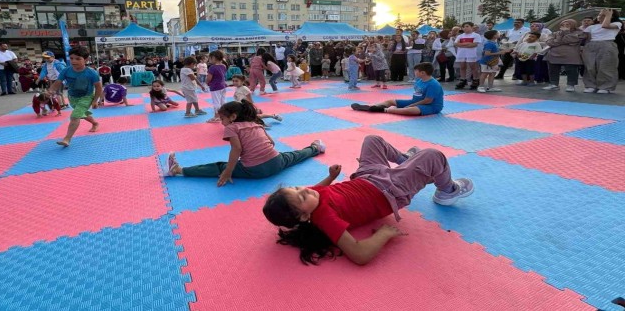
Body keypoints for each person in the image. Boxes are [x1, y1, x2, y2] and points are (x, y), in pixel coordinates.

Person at [262, 135, 474, 265]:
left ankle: (405, 161)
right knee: (433, 155)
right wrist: (383, 234)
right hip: (391, 190)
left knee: (372, 140)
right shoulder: (325, 219)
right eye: (302, 195)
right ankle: (448, 190)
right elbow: (359, 254)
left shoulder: (312, 198)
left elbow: (318, 189)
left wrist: (331, 177)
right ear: (305, 216)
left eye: (298, 187)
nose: (307, 190)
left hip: (367, 176)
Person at [165, 100, 324, 186]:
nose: (221, 122)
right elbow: (272, 142)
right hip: (276, 162)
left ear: (233, 117)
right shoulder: (256, 123)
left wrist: (228, 171)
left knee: (219, 166)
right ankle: (316, 147)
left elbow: (237, 150)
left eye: (222, 119)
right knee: (294, 155)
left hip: (256, 171)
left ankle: (178, 170)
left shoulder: (232, 128)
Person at [47, 46, 102, 147]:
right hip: (72, 97)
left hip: (87, 96)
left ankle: (67, 138)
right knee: (81, 113)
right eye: (71, 58)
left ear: (86, 60)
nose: (74, 61)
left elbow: (98, 88)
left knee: (75, 116)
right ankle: (95, 123)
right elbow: (58, 82)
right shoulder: (66, 71)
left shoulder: (91, 73)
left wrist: (95, 101)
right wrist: (51, 90)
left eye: (78, 58)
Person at [351, 63, 443, 116]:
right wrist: (411, 103)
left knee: (411, 111)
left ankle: (385, 110)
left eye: (416, 71)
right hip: (415, 101)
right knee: (391, 101)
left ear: (422, 73)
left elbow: (428, 101)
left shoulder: (433, 84)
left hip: (432, 106)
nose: (414, 72)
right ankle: (372, 107)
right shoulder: (419, 80)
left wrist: (411, 106)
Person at [582, 8, 621, 94]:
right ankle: (590, 85)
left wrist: (608, 14)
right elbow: (586, 37)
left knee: (606, 67)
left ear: (611, 16)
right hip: (591, 45)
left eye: (603, 15)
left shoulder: (616, 24)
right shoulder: (592, 27)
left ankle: (606, 86)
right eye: (599, 15)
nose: (600, 17)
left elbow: (605, 25)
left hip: (607, 44)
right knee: (590, 66)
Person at [544, 19, 585, 92]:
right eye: (562, 25)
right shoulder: (555, 33)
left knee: (571, 70)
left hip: (571, 55)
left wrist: (565, 34)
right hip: (554, 54)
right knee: (553, 70)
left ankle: (571, 85)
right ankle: (554, 84)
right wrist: (561, 40)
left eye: (567, 25)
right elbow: (549, 42)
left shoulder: (580, 33)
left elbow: (571, 40)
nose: (564, 26)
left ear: (573, 25)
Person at [454, 22, 482, 90]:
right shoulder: (460, 36)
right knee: (462, 67)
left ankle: (475, 80)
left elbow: (474, 44)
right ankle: (463, 80)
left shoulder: (476, 35)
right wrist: (468, 44)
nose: (465, 28)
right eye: (464, 27)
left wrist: (462, 44)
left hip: (471, 53)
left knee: (473, 67)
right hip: (461, 53)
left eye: (467, 26)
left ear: (472, 27)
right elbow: (456, 44)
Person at [206, 50, 228, 122]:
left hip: (215, 87)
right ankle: (224, 115)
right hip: (223, 86)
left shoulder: (212, 67)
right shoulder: (223, 66)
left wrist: (206, 82)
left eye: (210, 58)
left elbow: (209, 78)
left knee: (216, 102)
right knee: (222, 101)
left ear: (214, 58)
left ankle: (217, 117)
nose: (209, 60)